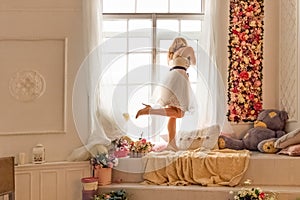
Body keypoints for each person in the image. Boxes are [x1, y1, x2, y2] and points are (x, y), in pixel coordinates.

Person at [135, 37, 196, 150]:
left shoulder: (171, 54)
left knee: (173, 114)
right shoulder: (188, 49)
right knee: (180, 113)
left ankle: (171, 144)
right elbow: (194, 62)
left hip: (171, 78)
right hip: (180, 78)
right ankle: (149, 111)